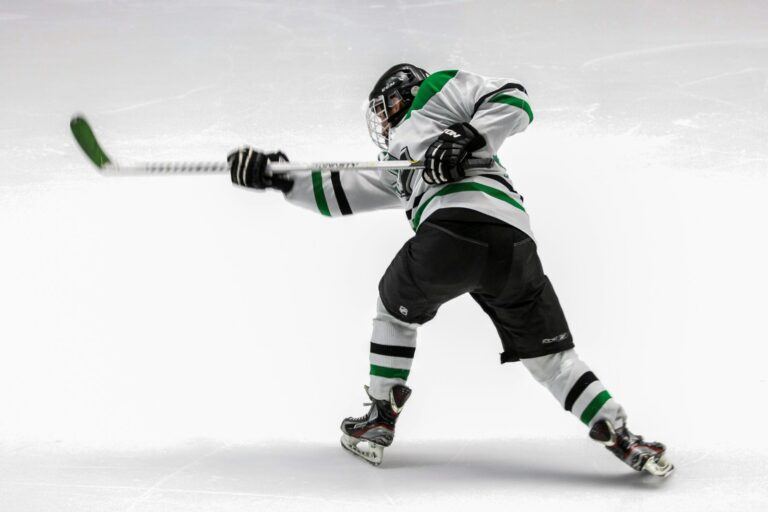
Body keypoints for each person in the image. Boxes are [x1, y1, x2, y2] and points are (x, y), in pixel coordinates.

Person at [227, 64, 673, 477]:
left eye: (382, 111)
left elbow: (514, 100)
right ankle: (620, 434)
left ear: (400, 95)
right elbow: (339, 193)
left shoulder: (436, 93)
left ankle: (380, 416)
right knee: (552, 360)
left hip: (453, 233)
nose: (381, 124)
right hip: (513, 246)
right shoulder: (398, 166)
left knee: (393, 307)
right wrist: (278, 176)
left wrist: (467, 135)